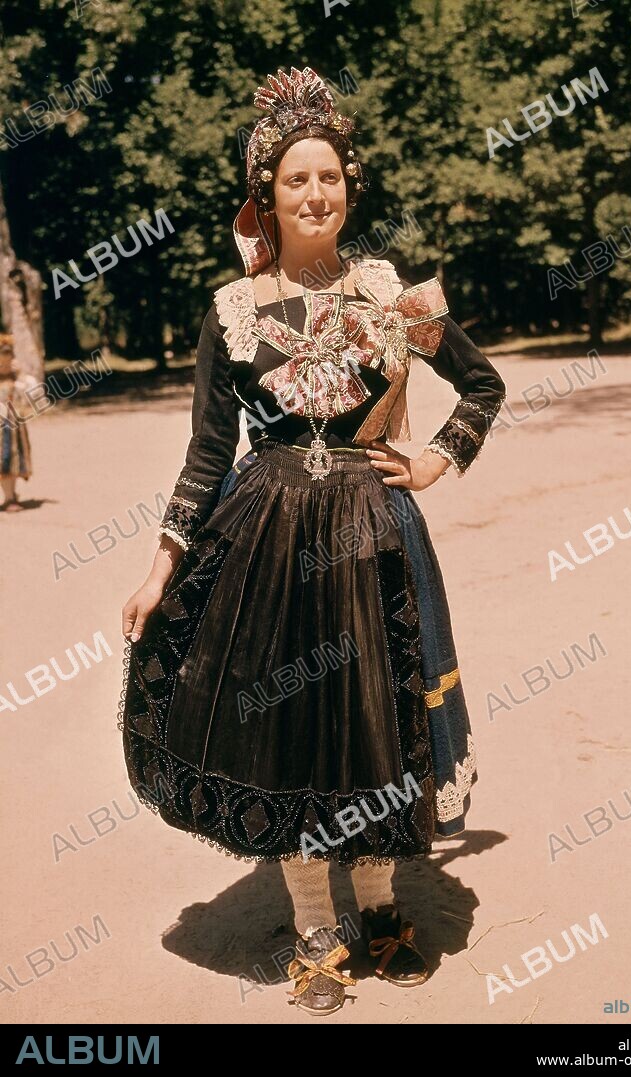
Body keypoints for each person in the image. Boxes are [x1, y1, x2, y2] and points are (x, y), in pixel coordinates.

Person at [118, 67, 506, 1016]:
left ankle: (378, 908)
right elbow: (207, 453)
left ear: (349, 186)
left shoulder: (387, 289)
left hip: (377, 538)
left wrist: (433, 461)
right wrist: (160, 567)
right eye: (295, 180)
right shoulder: (230, 311)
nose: (315, 194)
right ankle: (317, 933)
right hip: (270, 544)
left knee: (376, 720)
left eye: (328, 176)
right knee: (293, 731)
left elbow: (484, 384)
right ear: (268, 197)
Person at [0, 333, 36, 513]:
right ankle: (9, 496)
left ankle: (10, 496)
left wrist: (21, 375)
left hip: (11, 424)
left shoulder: (18, 380)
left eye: (7, 359)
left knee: (11, 458)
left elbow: (35, 394)